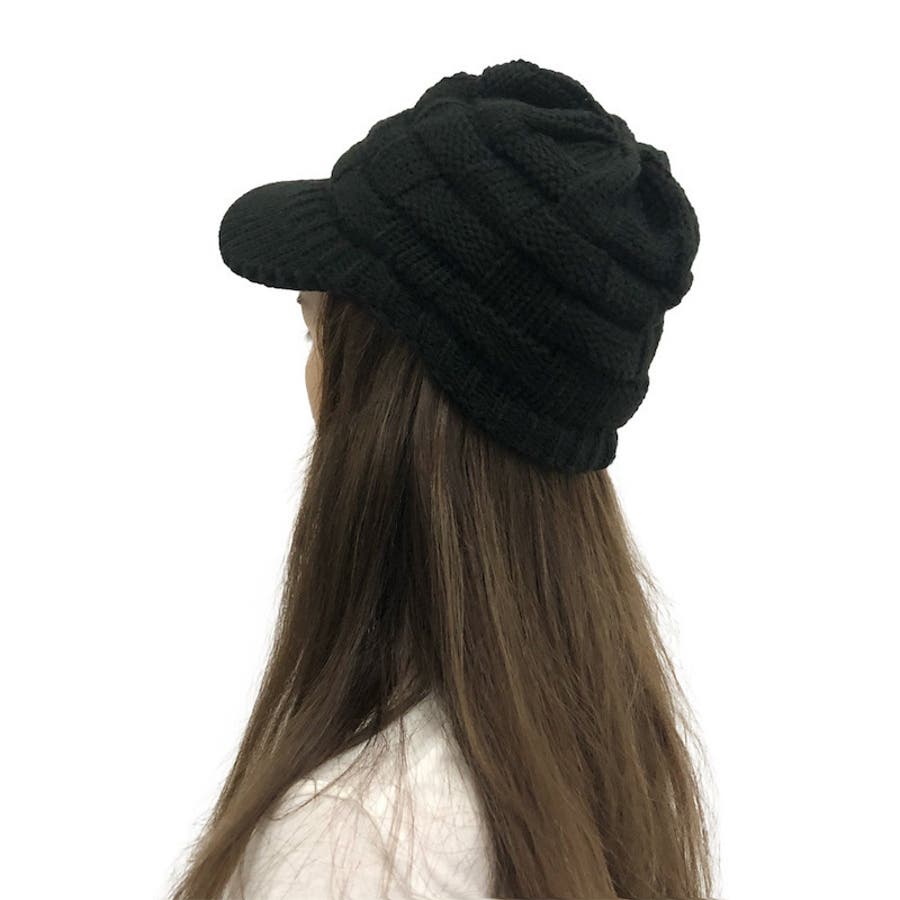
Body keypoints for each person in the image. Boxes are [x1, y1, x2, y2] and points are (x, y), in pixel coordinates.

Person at [168, 59, 718, 900]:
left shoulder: (357, 836)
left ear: (391, 393)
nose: (312, 377)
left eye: (316, 331)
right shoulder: (606, 760)